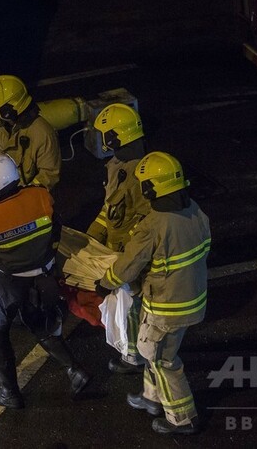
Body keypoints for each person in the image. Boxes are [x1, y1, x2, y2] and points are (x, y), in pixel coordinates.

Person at [95, 151, 211, 435]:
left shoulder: (154, 224)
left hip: (165, 307)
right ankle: (151, 398)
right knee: (158, 351)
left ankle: (182, 418)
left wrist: (105, 283)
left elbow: (128, 266)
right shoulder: (195, 211)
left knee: (161, 359)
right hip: (193, 301)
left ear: (151, 188)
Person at [0, 149, 91, 409]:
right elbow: (56, 230)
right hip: (46, 277)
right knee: (41, 325)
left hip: (11, 283)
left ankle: (9, 392)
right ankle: (75, 370)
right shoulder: (40, 195)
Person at [87, 103, 150, 375]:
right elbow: (110, 208)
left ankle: (134, 357)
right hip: (117, 251)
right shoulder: (117, 166)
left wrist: (124, 260)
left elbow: (147, 226)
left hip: (130, 256)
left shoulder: (141, 175)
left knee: (135, 304)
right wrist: (93, 236)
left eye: (106, 136)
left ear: (116, 138)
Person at [0, 74, 61, 193]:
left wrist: (23, 196)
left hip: (30, 197)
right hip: (2, 191)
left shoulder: (42, 133)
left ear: (8, 110)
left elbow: (49, 175)